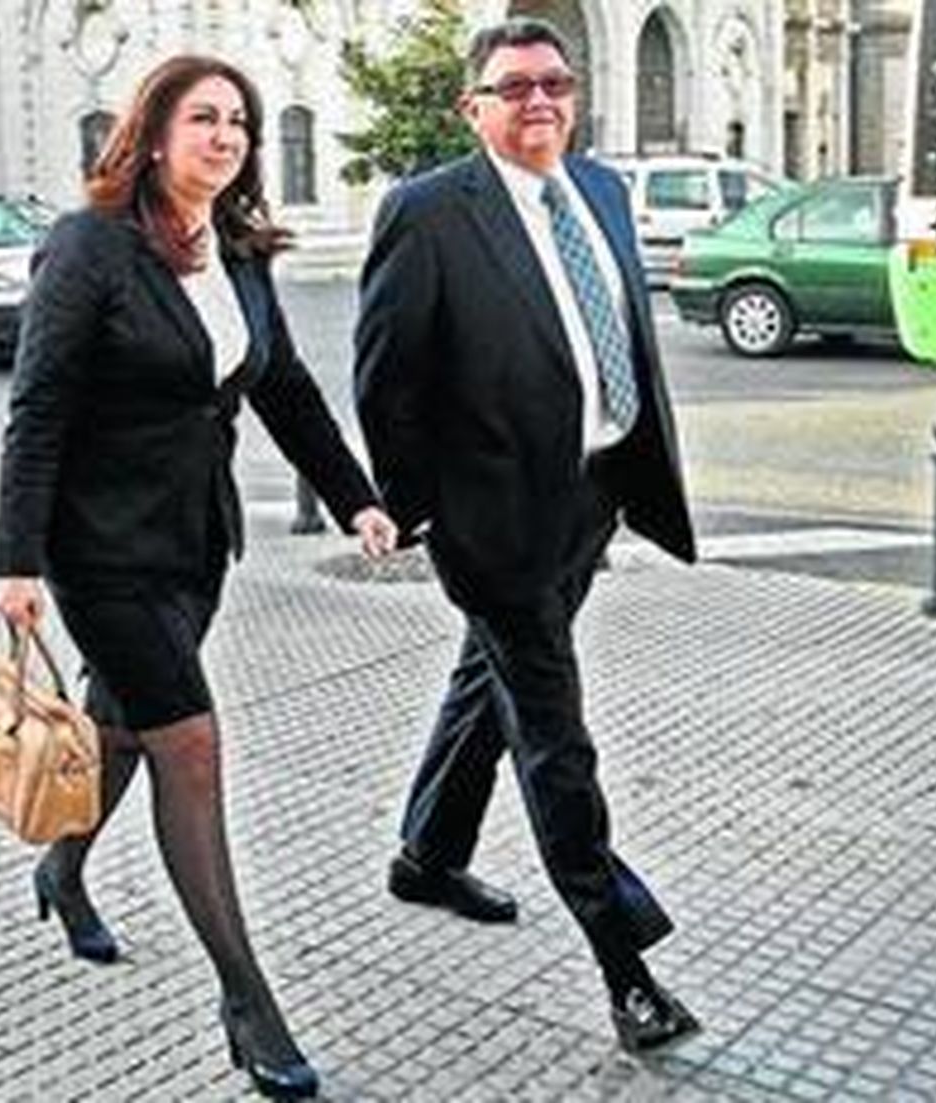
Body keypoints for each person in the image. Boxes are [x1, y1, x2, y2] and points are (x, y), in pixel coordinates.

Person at [0, 54, 397, 1100]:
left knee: (123, 726)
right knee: (191, 745)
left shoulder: (238, 251)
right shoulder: (90, 245)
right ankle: (248, 1000)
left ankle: (63, 869)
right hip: (100, 552)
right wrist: (14, 563)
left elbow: (285, 388)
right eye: (203, 118)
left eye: (239, 123)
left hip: (195, 545)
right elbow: (38, 406)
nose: (225, 137)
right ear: (154, 133)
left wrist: (355, 497)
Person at [354, 17, 701, 1053]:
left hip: (590, 500)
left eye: (555, 82)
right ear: (474, 108)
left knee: (488, 681)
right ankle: (625, 967)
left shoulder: (600, 189)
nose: (539, 99)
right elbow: (385, 381)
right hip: (494, 527)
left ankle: (426, 854)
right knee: (555, 736)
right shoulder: (428, 213)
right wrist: (428, 514)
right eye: (513, 87)